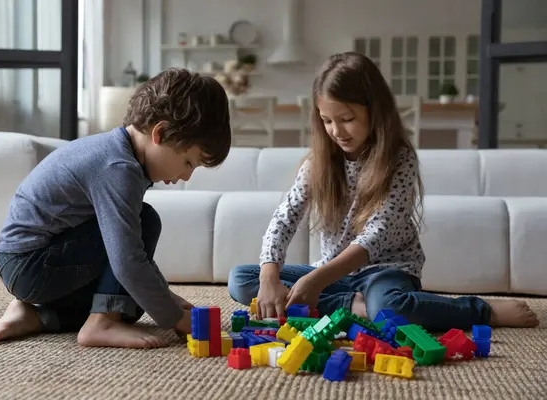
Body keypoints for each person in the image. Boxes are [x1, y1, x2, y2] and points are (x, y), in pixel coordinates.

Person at [227, 52, 539, 331]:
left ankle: (479, 310)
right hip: (333, 276)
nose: (336, 131)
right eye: (327, 121)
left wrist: (315, 281)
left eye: (347, 119)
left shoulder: (399, 160)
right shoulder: (319, 162)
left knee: (389, 309)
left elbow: (374, 237)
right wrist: (269, 276)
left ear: (374, 111)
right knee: (242, 280)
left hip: (386, 271)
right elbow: (285, 217)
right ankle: (356, 307)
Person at [0, 68, 232, 348]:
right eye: (189, 162)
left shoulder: (117, 153)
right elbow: (128, 260)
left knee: (131, 302)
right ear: (160, 134)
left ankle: (35, 316)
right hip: (31, 265)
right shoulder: (118, 169)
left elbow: (129, 254)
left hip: (27, 264)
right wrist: (174, 317)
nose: (186, 177)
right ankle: (101, 323)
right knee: (145, 225)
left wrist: (166, 298)